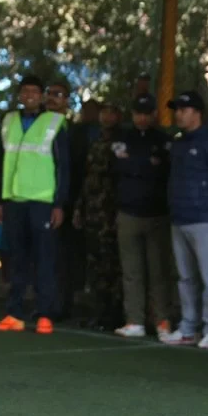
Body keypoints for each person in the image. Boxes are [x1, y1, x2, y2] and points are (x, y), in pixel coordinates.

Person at [0, 75, 72, 335]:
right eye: (24, 91)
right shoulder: (8, 121)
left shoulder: (56, 122)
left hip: (43, 201)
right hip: (13, 199)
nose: (29, 96)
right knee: (17, 258)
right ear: (18, 95)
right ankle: (14, 313)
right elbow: (1, 161)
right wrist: (1, 200)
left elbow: (64, 167)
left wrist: (59, 203)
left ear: (42, 96)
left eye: (34, 92)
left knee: (44, 258)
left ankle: (45, 314)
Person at [160, 91, 208, 350]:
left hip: (206, 220)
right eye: (177, 110)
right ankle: (188, 328)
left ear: (197, 113)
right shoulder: (179, 143)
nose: (179, 114)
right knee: (185, 277)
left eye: (184, 109)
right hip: (180, 218)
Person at [113, 94, 174, 339]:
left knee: (158, 271)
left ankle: (161, 320)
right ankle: (134, 320)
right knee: (131, 271)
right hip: (128, 212)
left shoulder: (163, 140)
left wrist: (135, 165)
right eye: (138, 113)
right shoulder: (122, 138)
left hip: (157, 213)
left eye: (146, 113)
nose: (142, 117)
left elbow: (165, 169)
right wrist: (148, 164)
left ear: (154, 115)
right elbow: (118, 166)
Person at [72, 101, 124, 330]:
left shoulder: (123, 142)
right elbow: (87, 178)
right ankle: (99, 312)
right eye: (104, 112)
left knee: (112, 266)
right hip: (92, 212)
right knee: (95, 265)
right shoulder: (95, 141)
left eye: (110, 112)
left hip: (111, 212)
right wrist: (79, 208)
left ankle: (115, 314)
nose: (106, 116)